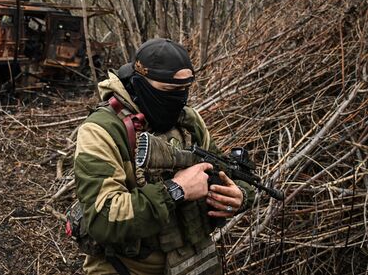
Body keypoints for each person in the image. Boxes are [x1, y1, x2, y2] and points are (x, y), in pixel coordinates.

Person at [73, 38, 255, 275]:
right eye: (169, 91)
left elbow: (224, 168)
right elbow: (102, 219)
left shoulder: (188, 121)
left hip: (192, 261)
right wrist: (176, 190)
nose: (179, 99)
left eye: (184, 90)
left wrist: (239, 195)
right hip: (127, 267)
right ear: (140, 84)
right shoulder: (102, 130)